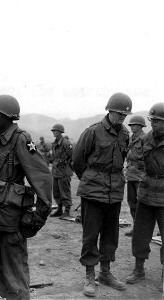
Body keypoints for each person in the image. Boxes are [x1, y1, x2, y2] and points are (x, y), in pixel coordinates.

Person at [0, 95, 52, 300]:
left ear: (9, 116)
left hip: (11, 218)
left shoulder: (21, 139)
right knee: (0, 268)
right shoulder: (1, 140)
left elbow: (42, 177)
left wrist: (39, 216)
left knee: (14, 273)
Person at [73, 92, 132, 297]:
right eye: (119, 114)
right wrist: (91, 180)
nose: (122, 118)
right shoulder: (93, 132)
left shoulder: (125, 134)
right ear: (109, 111)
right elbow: (78, 161)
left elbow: (121, 159)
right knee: (90, 235)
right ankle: (90, 275)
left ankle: (105, 272)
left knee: (110, 234)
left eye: (125, 115)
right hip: (93, 191)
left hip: (115, 191)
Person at [126, 103, 164, 292]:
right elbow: (139, 162)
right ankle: (139, 269)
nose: (153, 123)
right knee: (140, 234)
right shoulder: (146, 139)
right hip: (146, 192)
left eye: (157, 120)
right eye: (152, 120)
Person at [124, 115, 146, 237]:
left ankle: (141, 230)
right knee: (132, 203)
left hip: (140, 176)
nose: (132, 127)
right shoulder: (132, 138)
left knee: (140, 204)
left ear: (141, 126)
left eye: (135, 125)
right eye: (131, 125)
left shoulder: (145, 138)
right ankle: (136, 227)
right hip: (131, 175)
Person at [50, 124, 73, 218]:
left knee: (65, 191)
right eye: (53, 131)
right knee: (56, 192)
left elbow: (72, 156)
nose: (53, 132)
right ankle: (59, 209)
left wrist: (66, 163)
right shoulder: (55, 143)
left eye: (55, 130)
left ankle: (67, 211)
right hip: (56, 171)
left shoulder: (66, 143)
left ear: (60, 132)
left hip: (64, 172)